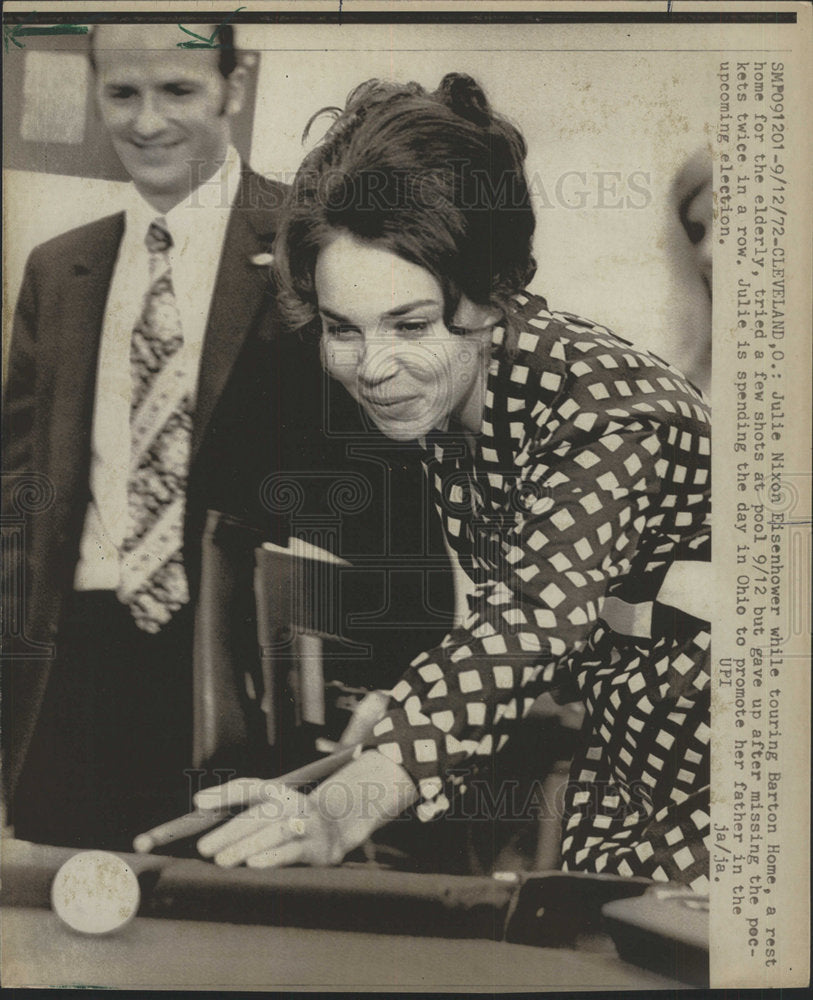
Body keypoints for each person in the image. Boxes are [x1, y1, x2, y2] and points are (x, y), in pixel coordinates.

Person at [196, 74, 711, 890]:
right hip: (627, 786)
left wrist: (344, 804)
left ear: (493, 294)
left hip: (739, 794)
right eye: (342, 330)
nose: (375, 369)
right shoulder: (456, 399)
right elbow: (558, 630)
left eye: (408, 324)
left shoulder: (610, 411)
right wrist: (406, 710)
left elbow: (533, 624)